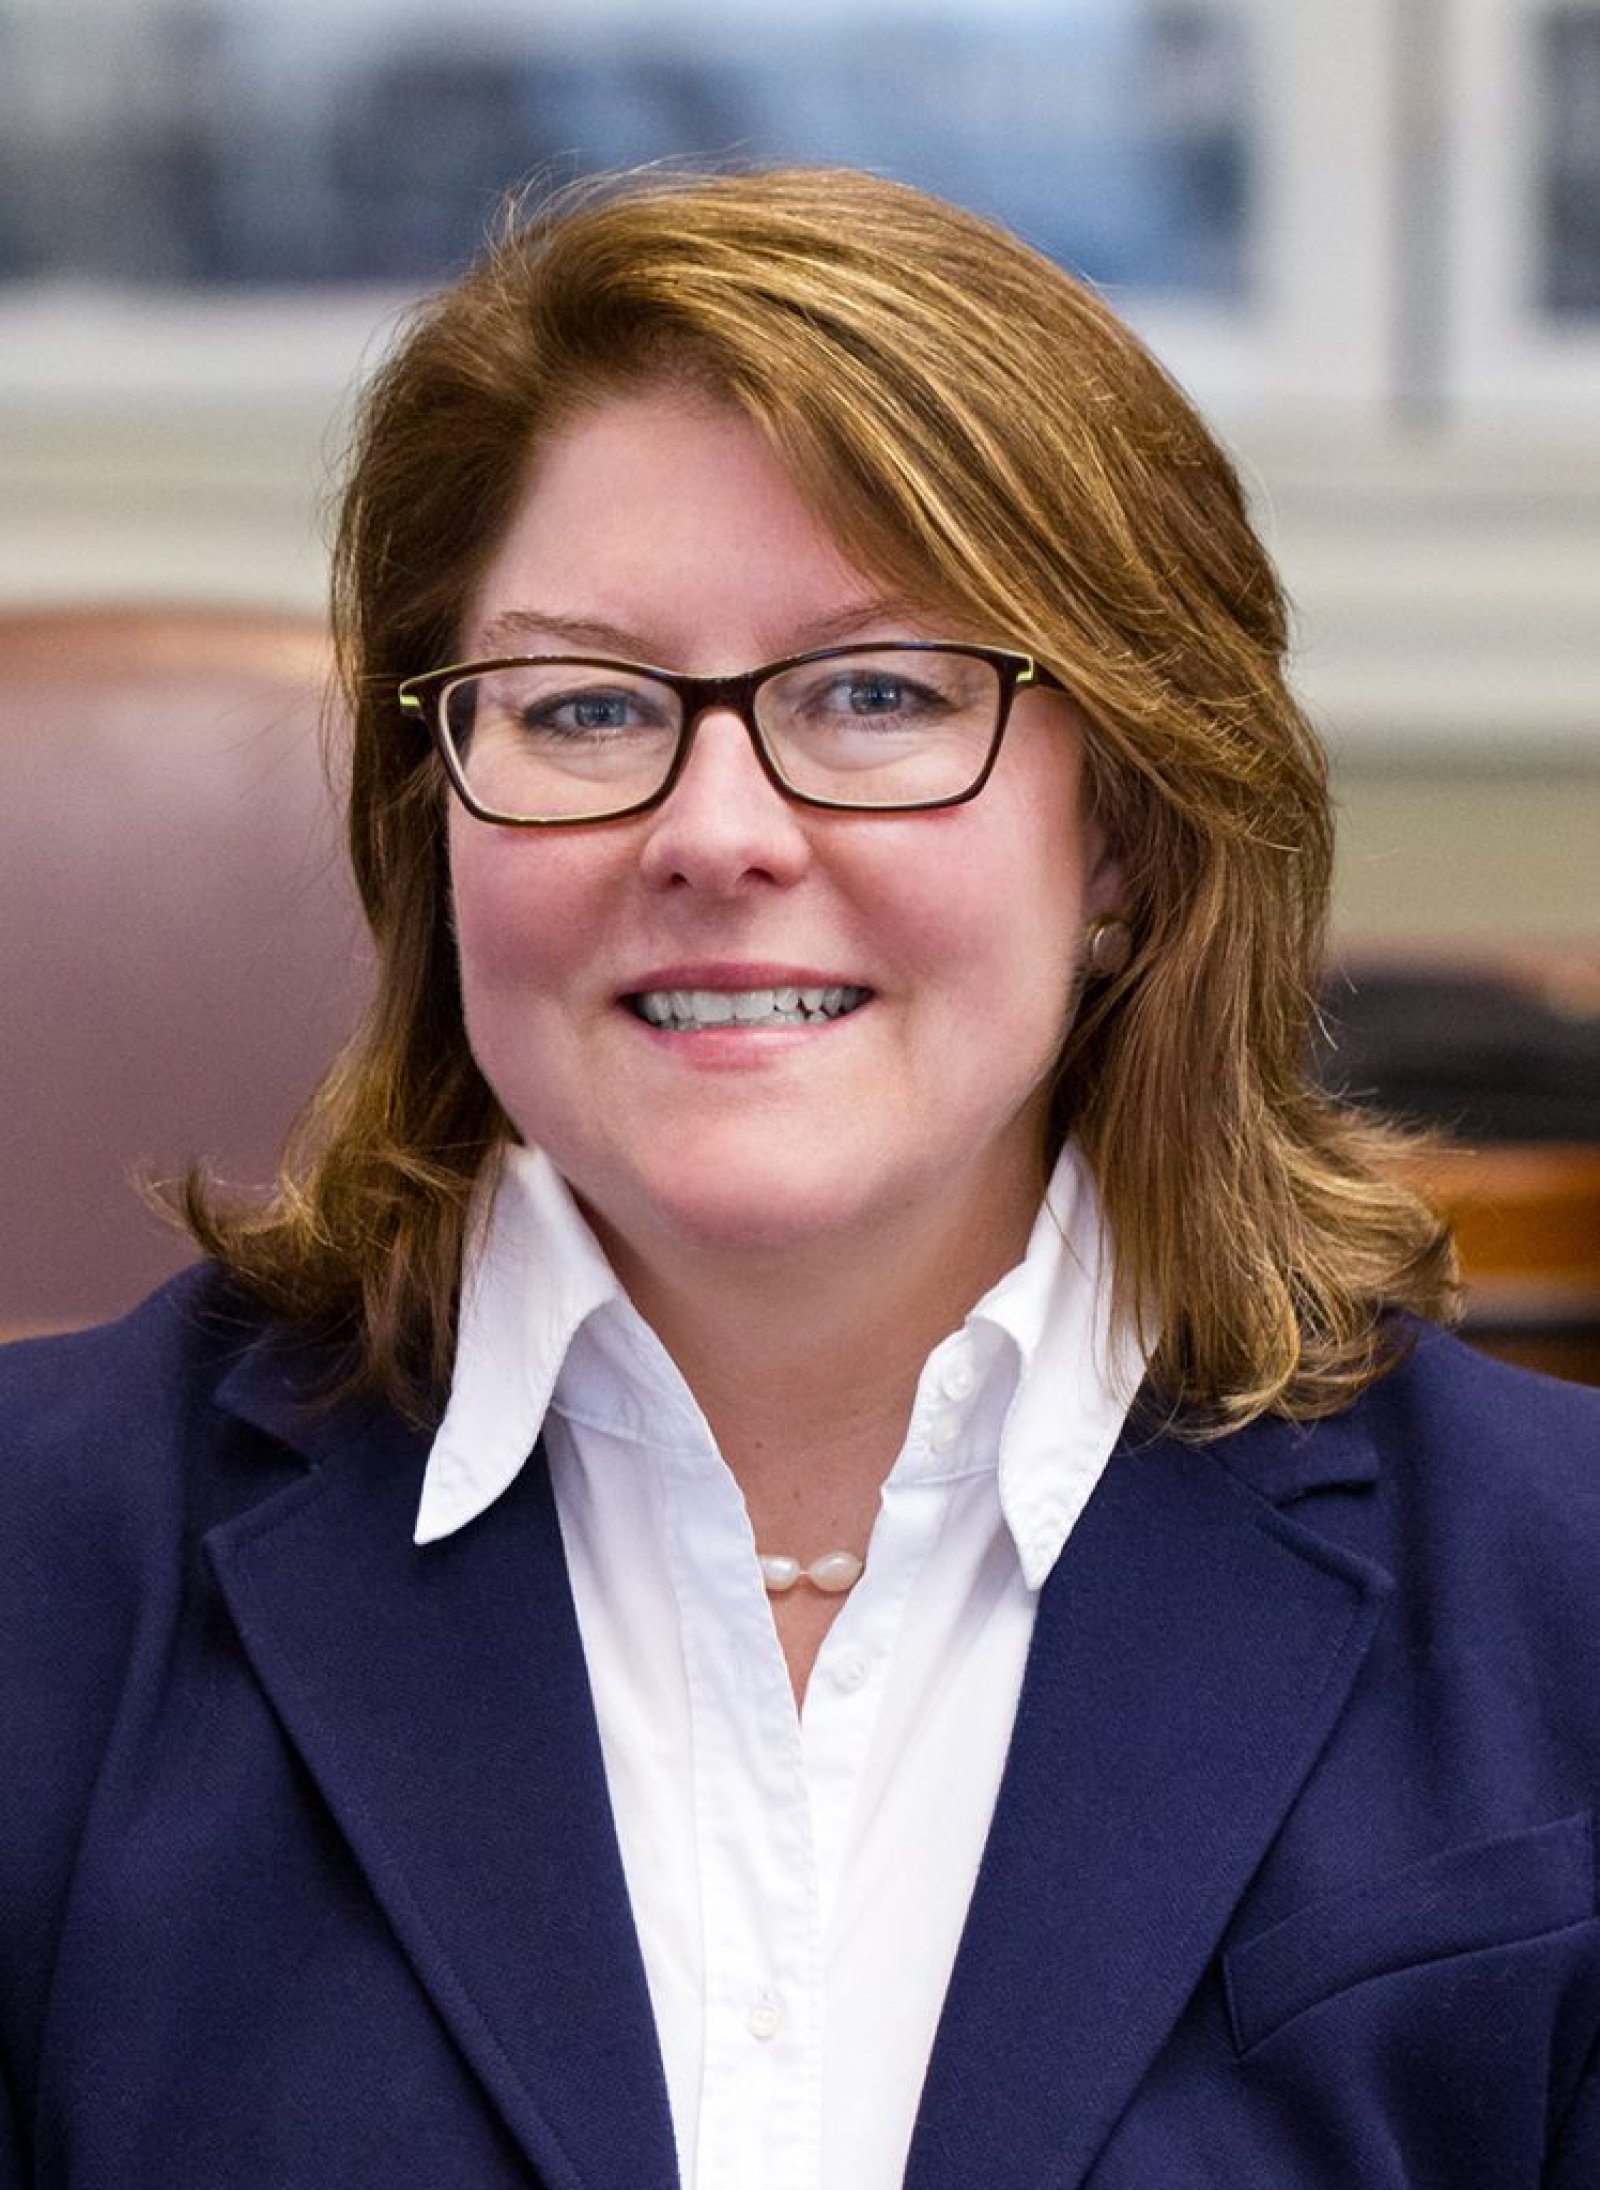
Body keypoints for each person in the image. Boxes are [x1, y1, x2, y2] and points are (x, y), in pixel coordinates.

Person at [2, 166, 1598, 2190]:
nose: (717, 832)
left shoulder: (1558, 1595)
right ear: (438, 820)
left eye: (876, 695)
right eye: (586, 708)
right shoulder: (42, 1581)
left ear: (1122, 830)